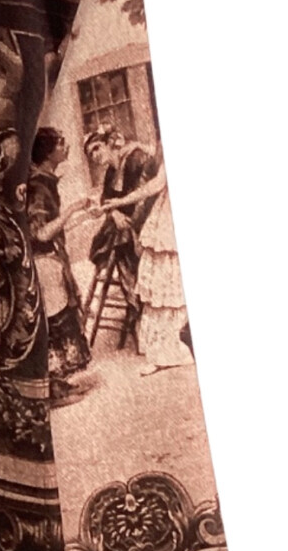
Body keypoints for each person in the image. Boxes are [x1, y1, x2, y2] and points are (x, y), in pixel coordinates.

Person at [92, 143, 193, 375]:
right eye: (91, 152)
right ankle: (141, 319)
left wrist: (124, 211)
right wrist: (115, 210)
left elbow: (149, 188)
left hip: (143, 216)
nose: (96, 156)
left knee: (156, 265)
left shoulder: (135, 159)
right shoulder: (111, 173)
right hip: (135, 220)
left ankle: (163, 333)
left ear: (111, 143)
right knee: (125, 246)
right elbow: (107, 198)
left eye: (98, 148)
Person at [26, 127, 95, 394]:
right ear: (47, 152)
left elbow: (54, 230)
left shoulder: (46, 181)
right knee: (56, 321)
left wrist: (82, 216)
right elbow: (42, 233)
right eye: (61, 143)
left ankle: (57, 383)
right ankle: (53, 385)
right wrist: (72, 209)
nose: (66, 147)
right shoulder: (38, 186)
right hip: (44, 263)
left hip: (52, 259)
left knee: (58, 318)